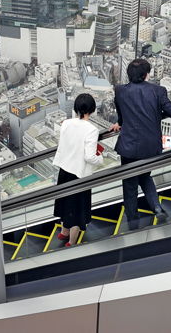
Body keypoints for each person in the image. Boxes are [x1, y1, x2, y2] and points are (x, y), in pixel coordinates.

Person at [110, 59, 171, 230]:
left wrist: (120, 123)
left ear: (128, 74)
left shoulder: (120, 90)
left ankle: (133, 225)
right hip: (149, 147)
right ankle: (157, 208)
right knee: (144, 176)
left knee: (130, 186)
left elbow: (122, 112)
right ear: (147, 75)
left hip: (128, 147)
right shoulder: (158, 91)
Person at [52, 93, 104, 247]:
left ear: (75, 108)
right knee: (75, 209)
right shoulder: (92, 130)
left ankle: (64, 232)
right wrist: (100, 159)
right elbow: (90, 157)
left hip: (64, 170)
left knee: (64, 203)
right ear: (92, 110)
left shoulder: (66, 123)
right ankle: (72, 242)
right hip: (79, 174)